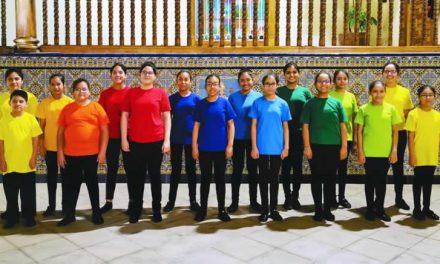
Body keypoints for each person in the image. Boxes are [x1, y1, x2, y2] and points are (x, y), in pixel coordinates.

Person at [121, 61, 171, 223]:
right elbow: (124, 116)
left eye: (150, 72)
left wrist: (167, 140)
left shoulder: (160, 93)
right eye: (144, 72)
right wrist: (124, 139)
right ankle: (136, 209)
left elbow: (166, 117)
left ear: (155, 76)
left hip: (156, 141)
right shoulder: (131, 93)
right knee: (137, 178)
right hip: (136, 142)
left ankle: (156, 209)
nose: (147, 74)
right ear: (139, 75)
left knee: (155, 177)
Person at [57, 78, 109, 226]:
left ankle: (96, 213)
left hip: (91, 155)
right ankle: (70, 214)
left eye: (84, 89)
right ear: (73, 92)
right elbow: (60, 133)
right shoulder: (67, 109)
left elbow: (105, 131)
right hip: (70, 155)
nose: (81, 91)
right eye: (78, 89)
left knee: (92, 184)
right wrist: (60, 152)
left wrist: (102, 152)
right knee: (71, 185)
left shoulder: (96, 108)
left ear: (89, 91)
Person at [301, 72, 348, 222]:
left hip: (333, 147)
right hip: (315, 147)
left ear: (331, 84)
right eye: (320, 81)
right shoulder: (310, 104)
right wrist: (307, 146)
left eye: (326, 81)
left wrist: (344, 147)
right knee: (316, 178)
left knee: (330, 179)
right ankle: (318, 209)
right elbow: (306, 127)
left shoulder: (336, 103)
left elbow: (343, 126)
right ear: (315, 84)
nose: (323, 84)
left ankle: (327, 209)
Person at [192, 74, 235, 222]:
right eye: (209, 83)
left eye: (215, 83)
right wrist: (194, 147)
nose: (212, 86)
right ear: (205, 87)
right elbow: (196, 126)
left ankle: (221, 209)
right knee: (204, 179)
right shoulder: (201, 104)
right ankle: (202, 210)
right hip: (204, 148)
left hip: (221, 149)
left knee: (220, 180)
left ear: (219, 86)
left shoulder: (224, 103)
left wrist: (230, 145)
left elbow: (231, 125)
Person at [356, 80, 400, 222]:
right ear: (370, 93)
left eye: (381, 91)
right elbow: (359, 131)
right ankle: (370, 209)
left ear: (385, 93)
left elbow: (395, 131)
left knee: (381, 182)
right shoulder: (364, 109)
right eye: (375, 91)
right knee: (370, 182)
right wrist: (361, 152)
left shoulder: (391, 109)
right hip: (369, 153)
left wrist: (394, 151)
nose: (378, 94)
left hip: (384, 153)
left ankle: (380, 209)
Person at [249, 73, 290, 222]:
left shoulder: (283, 104)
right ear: (263, 86)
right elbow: (253, 126)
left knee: (274, 179)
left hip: (277, 148)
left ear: (277, 85)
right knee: (263, 179)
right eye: (267, 83)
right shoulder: (257, 103)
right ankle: (264, 209)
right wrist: (254, 147)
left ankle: (274, 209)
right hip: (261, 148)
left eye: (272, 84)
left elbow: (285, 127)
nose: (270, 86)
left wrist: (286, 146)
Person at [0, 68, 39, 220]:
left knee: (27, 187)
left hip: (25, 149)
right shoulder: (2, 98)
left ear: (22, 80)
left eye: (17, 79)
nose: (14, 82)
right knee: (10, 187)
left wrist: (34, 154)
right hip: (8, 146)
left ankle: (29, 214)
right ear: (6, 82)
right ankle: (12, 213)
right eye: (10, 79)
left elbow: (32, 124)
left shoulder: (31, 98)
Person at [163, 71, 201, 212]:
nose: (183, 82)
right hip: (176, 139)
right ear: (177, 81)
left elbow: (199, 122)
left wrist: (197, 142)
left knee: (191, 170)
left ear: (190, 81)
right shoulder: (172, 99)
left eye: (186, 79)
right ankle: (171, 201)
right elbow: (167, 120)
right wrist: (166, 140)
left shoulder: (196, 99)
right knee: (176, 171)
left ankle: (193, 201)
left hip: (192, 140)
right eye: (180, 79)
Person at [277, 62, 312, 210]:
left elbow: (310, 114)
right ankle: (287, 197)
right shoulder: (279, 91)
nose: (291, 75)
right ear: (284, 75)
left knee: (297, 168)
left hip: (299, 134)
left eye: (294, 72)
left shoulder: (305, 92)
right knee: (285, 168)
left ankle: (295, 197)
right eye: (288, 72)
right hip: (282, 134)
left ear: (299, 73)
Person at [37, 74, 73, 216]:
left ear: (64, 85)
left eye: (58, 84)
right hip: (50, 148)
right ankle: (51, 206)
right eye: (53, 84)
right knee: (51, 178)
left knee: (66, 179)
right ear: (49, 86)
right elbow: (41, 127)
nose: (56, 87)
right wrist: (41, 146)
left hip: (66, 149)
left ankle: (66, 206)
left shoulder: (70, 103)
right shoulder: (45, 103)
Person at [227, 68, 262, 213]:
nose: (245, 82)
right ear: (239, 82)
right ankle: (234, 202)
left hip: (253, 141)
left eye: (248, 79)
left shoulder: (259, 97)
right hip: (237, 140)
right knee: (237, 171)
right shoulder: (233, 98)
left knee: (254, 172)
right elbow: (229, 121)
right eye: (242, 80)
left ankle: (254, 201)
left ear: (252, 80)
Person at [98, 63, 131, 214]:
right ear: (111, 75)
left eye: (120, 72)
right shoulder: (105, 94)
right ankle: (108, 201)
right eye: (114, 72)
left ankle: (133, 201)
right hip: (111, 137)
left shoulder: (131, 92)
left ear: (125, 75)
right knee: (112, 169)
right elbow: (100, 117)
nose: (117, 75)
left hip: (129, 137)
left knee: (131, 170)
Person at [405, 85, 440, 221]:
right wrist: (412, 155)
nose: (428, 97)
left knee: (428, 183)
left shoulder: (437, 115)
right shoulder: (414, 114)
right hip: (418, 154)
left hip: (431, 154)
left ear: (434, 97)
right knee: (418, 182)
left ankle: (426, 208)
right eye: (424, 95)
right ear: (419, 97)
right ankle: (417, 208)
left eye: (430, 94)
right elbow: (410, 136)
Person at [382, 62, 414, 210]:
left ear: (398, 75)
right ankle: (378, 200)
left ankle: (399, 198)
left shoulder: (404, 92)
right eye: (387, 71)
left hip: (399, 133)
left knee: (398, 167)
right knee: (381, 167)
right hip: (381, 133)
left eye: (392, 71)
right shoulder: (378, 90)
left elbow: (408, 114)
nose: (389, 74)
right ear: (382, 74)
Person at [329, 70, 358, 209]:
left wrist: (356, 140)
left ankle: (342, 197)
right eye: (339, 79)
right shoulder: (329, 95)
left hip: (348, 137)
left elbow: (354, 118)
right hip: (332, 138)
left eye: (344, 78)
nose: (342, 81)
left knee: (342, 169)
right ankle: (331, 197)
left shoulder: (351, 97)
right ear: (334, 81)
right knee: (332, 169)